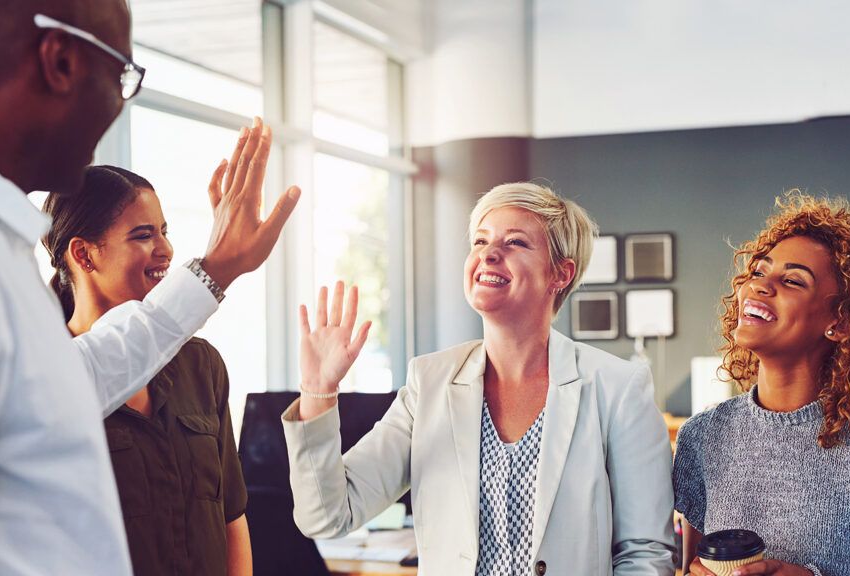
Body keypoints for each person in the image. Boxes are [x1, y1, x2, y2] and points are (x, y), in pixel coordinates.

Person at [0, 0, 299, 573]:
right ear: (59, 60)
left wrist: (216, 269)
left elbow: (74, 380)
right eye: (121, 76)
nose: (119, 103)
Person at [283, 182, 676, 575]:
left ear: (560, 273)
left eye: (516, 243)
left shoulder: (619, 388)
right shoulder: (429, 384)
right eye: (480, 241)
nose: (489, 253)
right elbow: (328, 516)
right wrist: (319, 390)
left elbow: (645, 554)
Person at [673, 192, 850, 576]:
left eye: (792, 280)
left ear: (840, 323)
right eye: (758, 272)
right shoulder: (702, 437)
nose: (759, 286)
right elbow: (688, 567)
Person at [41, 165, 252, 576]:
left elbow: (231, 517)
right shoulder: (44, 377)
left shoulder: (200, 364)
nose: (166, 249)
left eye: (164, 230)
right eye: (143, 235)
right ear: (84, 254)